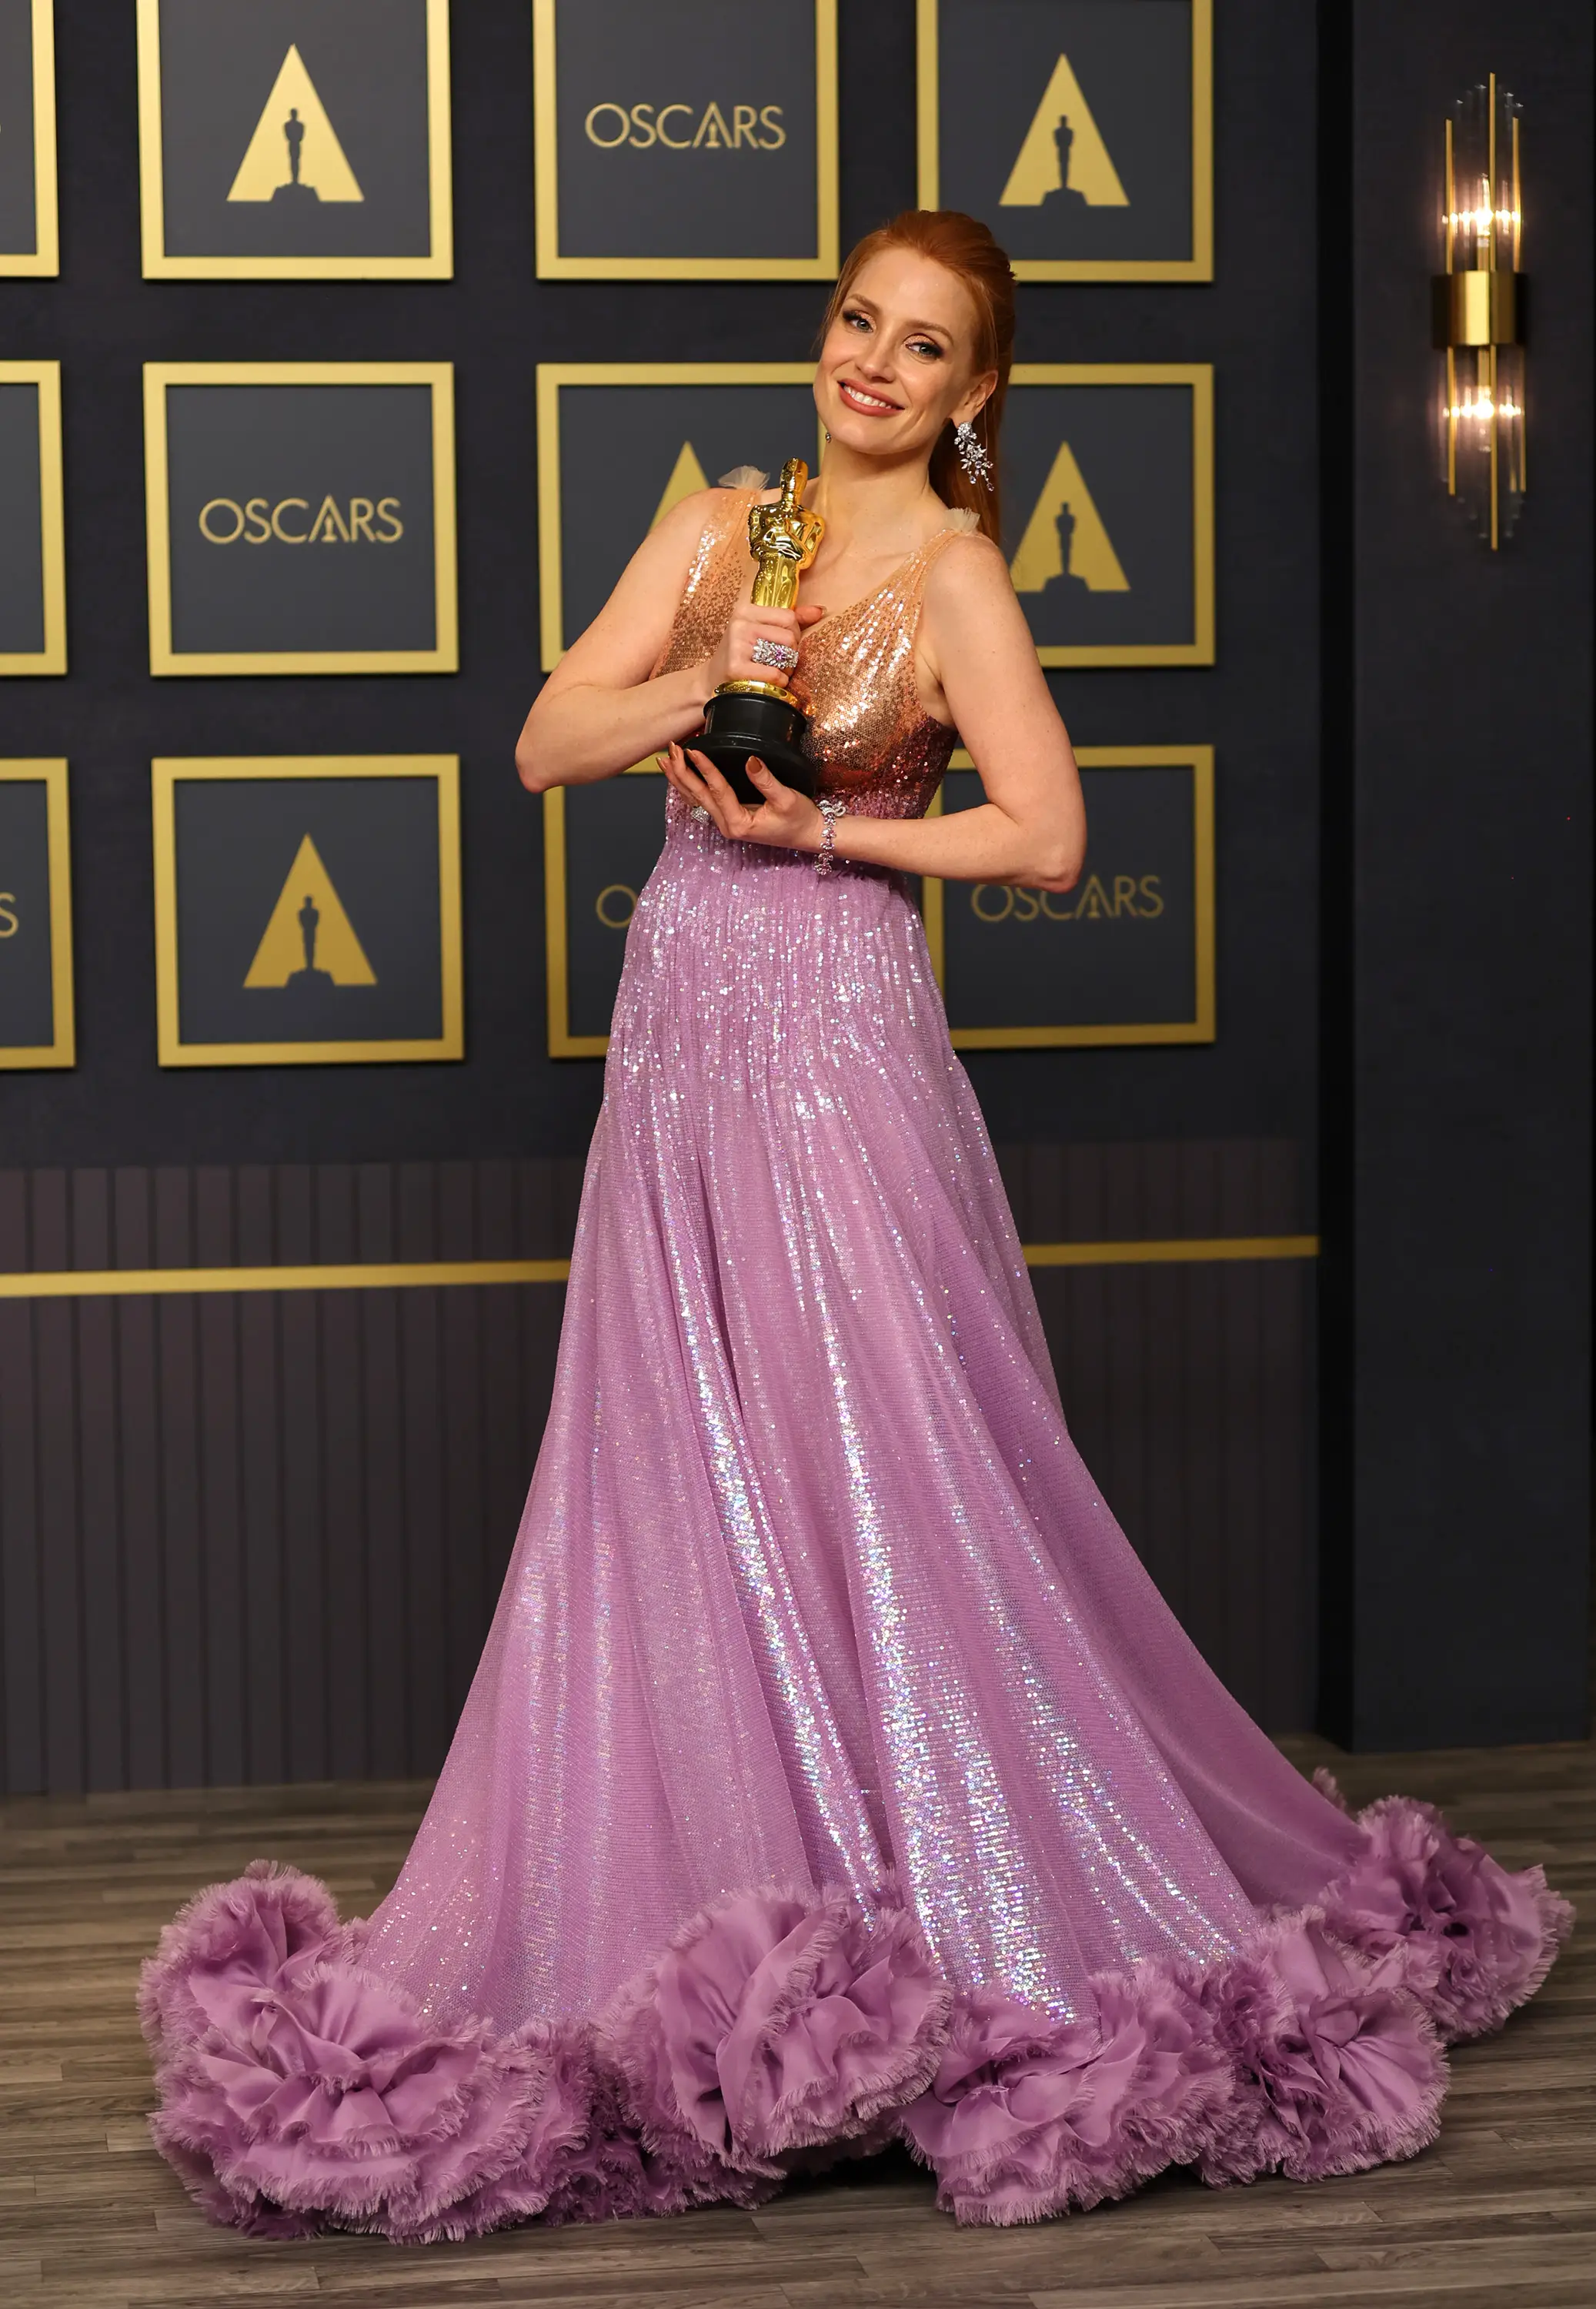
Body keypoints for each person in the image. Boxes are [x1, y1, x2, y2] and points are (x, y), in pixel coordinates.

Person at [140, 210, 1569, 2244]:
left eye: (925, 346)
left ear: (976, 393)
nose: (876, 365)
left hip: (839, 1032)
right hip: (682, 1043)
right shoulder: (722, 526)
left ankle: (966, 1905)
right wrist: (698, 684)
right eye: (854, 324)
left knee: (885, 1464)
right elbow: (550, 739)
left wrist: (828, 826)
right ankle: (752, 1892)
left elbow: (1051, 835)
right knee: (676, 1467)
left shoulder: (960, 571)